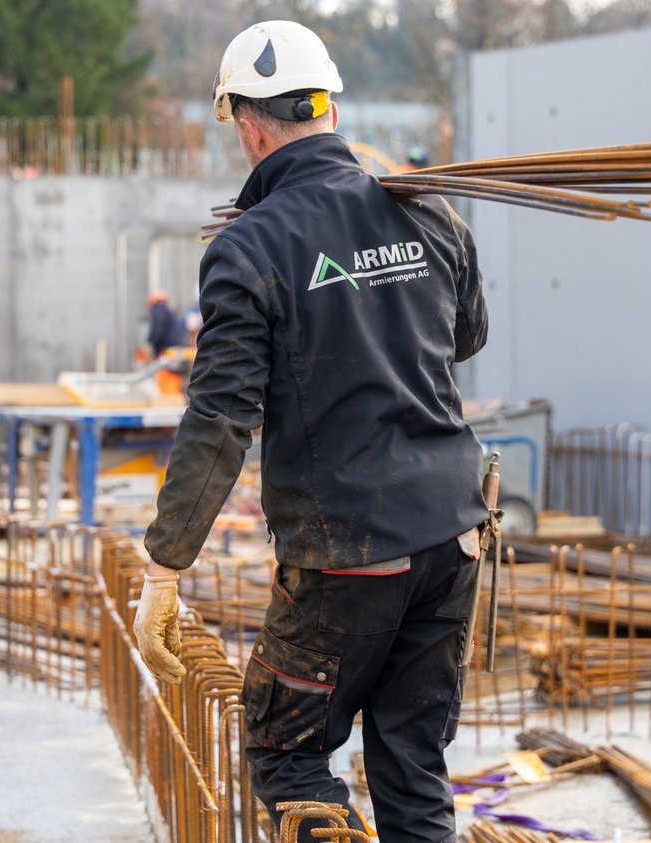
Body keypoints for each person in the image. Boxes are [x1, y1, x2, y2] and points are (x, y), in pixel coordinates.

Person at [133, 19, 489, 842]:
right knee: (411, 763)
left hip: (351, 551)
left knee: (287, 753)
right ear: (330, 108)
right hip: (453, 537)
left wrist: (164, 569)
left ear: (248, 124)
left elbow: (221, 417)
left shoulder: (249, 247)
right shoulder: (426, 210)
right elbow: (464, 337)